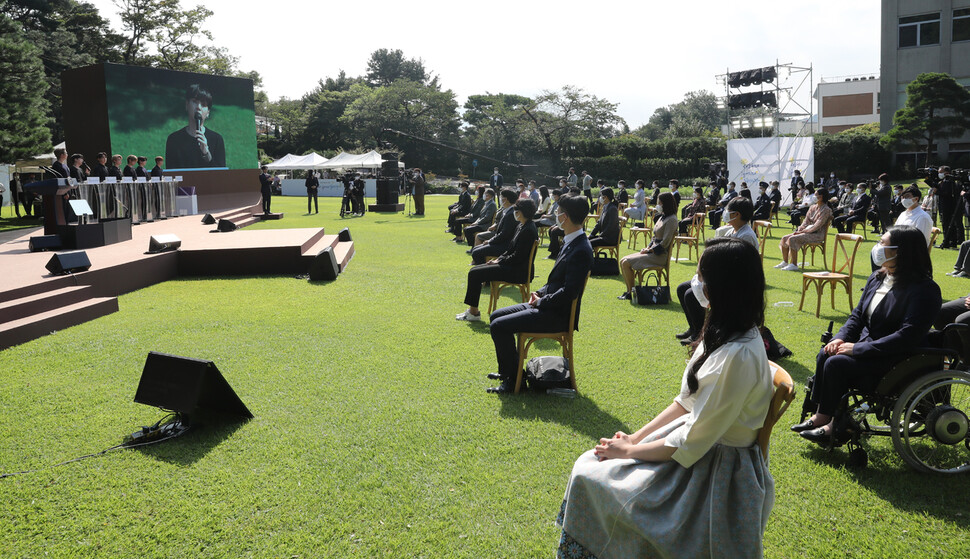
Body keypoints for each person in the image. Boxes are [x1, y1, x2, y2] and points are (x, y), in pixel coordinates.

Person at [557, 237, 774, 559]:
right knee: (592, 464)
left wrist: (630, 450)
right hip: (695, 446)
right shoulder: (724, 331)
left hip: (717, 467)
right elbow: (685, 401)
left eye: (703, 277)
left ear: (724, 287)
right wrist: (634, 437)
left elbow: (692, 441)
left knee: (594, 476)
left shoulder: (739, 354)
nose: (695, 283)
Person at [794, 226, 941, 444]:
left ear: (902, 251)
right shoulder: (878, 277)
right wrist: (839, 338)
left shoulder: (924, 290)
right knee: (825, 354)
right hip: (870, 346)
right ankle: (821, 415)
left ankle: (837, 426)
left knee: (837, 364)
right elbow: (857, 317)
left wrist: (856, 349)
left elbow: (907, 336)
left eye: (883, 243)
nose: (877, 248)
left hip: (895, 357)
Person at [486, 195, 593, 393]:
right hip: (548, 305)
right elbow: (556, 282)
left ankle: (512, 381)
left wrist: (541, 302)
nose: (555, 215)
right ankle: (513, 372)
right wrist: (538, 293)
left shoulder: (580, 248)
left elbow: (569, 292)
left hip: (556, 315)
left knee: (499, 326)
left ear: (565, 217)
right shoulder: (571, 240)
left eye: (557, 212)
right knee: (495, 316)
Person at [675, 199, 759, 345]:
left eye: (728, 211)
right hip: (722, 277)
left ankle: (700, 334)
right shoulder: (731, 230)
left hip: (735, 283)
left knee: (690, 295)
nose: (725, 214)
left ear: (737, 214)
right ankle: (694, 328)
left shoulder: (746, 236)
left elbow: (738, 268)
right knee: (682, 288)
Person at [456, 199, 540, 322]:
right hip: (511, 266)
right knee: (475, 270)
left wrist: (499, 261)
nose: (514, 212)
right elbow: (510, 250)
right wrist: (498, 259)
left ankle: (473, 312)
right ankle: (472, 311)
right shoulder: (522, 225)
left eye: (516, 210)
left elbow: (518, 256)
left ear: (522, 212)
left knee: (474, 273)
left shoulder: (528, 229)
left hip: (517, 271)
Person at [617, 192, 678, 300]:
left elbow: (665, 242)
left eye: (660, 203)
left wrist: (650, 251)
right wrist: (648, 247)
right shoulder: (662, 217)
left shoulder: (672, 219)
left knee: (626, 263)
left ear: (666, 204)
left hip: (660, 255)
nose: (657, 205)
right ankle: (629, 291)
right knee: (623, 260)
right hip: (652, 252)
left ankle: (632, 293)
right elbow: (654, 237)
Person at [165, 83, 226, 169]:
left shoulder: (217, 140)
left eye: (203, 105)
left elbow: (221, 176)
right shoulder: (174, 139)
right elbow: (172, 175)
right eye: (194, 102)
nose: (198, 107)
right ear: (187, 105)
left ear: (208, 112)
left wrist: (206, 153)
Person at [776, 187, 832, 271]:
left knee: (792, 239)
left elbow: (818, 225)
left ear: (821, 197)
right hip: (807, 232)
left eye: (816, 195)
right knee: (785, 238)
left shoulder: (826, 210)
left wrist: (803, 231)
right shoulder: (812, 207)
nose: (814, 197)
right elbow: (806, 221)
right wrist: (800, 229)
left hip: (817, 234)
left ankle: (793, 264)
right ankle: (785, 261)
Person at [470, 189, 517, 260]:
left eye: (501, 197)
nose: (500, 199)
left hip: (504, 246)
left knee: (476, 252)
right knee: (476, 248)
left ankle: (481, 268)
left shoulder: (511, 214)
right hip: (500, 241)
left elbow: (504, 234)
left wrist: (490, 241)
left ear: (506, 199)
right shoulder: (507, 210)